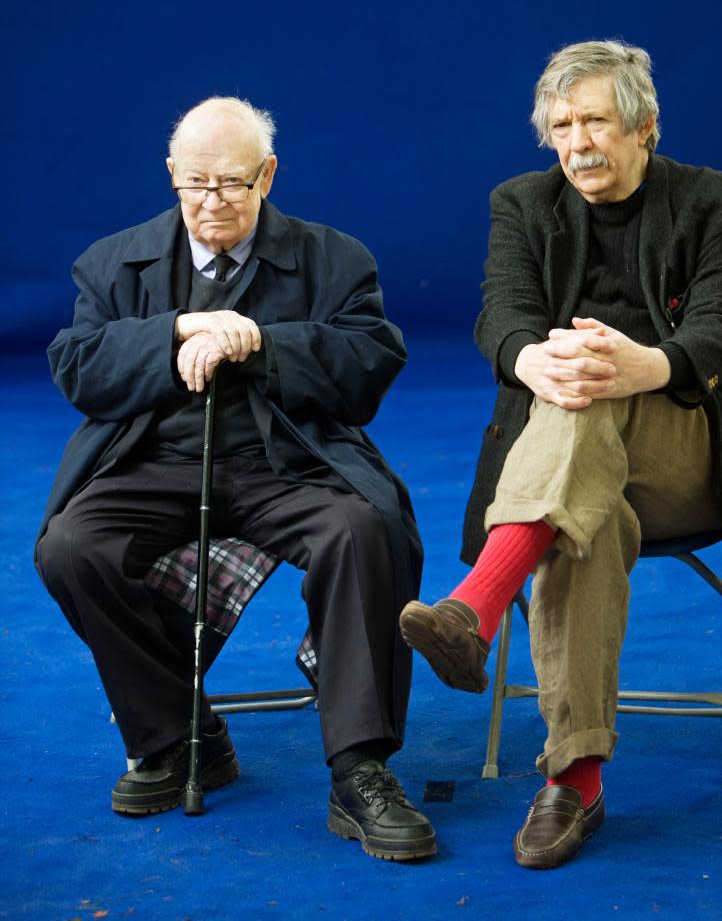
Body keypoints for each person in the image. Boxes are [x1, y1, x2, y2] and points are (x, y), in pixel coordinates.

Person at [400, 41, 722, 869]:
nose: (578, 143)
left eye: (597, 121)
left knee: (591, 392)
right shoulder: (522, 203)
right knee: (582, 484)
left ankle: (477, 605)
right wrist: (528, 357)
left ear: (646, 126)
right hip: (574, 480)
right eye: (562, 126)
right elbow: (502, 312)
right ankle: (574, 782)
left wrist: (647, 364)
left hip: (686, 460)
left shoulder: (721, 204)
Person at [35, 96, 436, 862]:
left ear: (269, 176)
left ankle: (360, 767)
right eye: (195, 183)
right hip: (152, 461)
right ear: (171, 177)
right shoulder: (113, 261)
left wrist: (262, 344)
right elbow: (80, 370)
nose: (211, 201)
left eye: (232, 183)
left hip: (287, 462)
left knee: (360, 530)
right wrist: (178, 328)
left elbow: (367, 372)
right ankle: (182, 735)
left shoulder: (336, 258)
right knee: (71, 546)